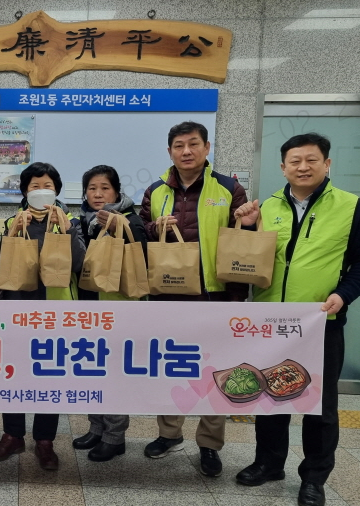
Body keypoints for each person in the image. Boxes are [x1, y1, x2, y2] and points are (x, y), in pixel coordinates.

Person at [234, 133, 360, 506]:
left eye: (311, 160)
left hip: (321, 321)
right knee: (270, 396)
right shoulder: (268, 206)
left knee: (319, 406)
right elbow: (251, 262)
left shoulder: (351, 207)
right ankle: (269, 464)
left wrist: (344, 295)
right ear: (282, 166)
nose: (303, 167)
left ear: (327, 163)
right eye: (295, 161)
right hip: (272, 322)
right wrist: (247, 227)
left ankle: (314, 478)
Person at [139, 121, 248, 477]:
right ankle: (169, 433)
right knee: (171, 365)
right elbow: (139, 237)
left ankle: (209, 444)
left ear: (207, 147)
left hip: (214, 295)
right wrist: (154, 228)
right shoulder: (156, 191)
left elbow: (242, 242)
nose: (186, 151)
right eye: (179, 145)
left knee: (216, 371)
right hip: (167, 295)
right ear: (169, 150)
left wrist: (235, 298)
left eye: (193, 144)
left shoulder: (229, 188)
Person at [0, 162, 86, 471]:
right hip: (17, 310)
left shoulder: (72, 221)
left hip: (56, 312)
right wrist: (13, 234)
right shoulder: (11, 223)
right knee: (13, 374)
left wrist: (68, 232)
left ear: (56, 191)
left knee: (50, 377)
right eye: (34, 186)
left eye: (47, 186)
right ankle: (12, 435)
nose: (41, 191)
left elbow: (83, 266)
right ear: (24, 191)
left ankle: (45, 440)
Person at [73, 164, 147, 462]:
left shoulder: (131, 219)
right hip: (91, 307)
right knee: (93, 369)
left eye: (105, 188)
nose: (98, 194)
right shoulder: (83, 222)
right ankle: (96, 427)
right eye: (92, 188)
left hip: (120, 310)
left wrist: (118, 226)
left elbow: (142, 252)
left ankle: (115, 437)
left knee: (115, 372)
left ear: (117, 191)